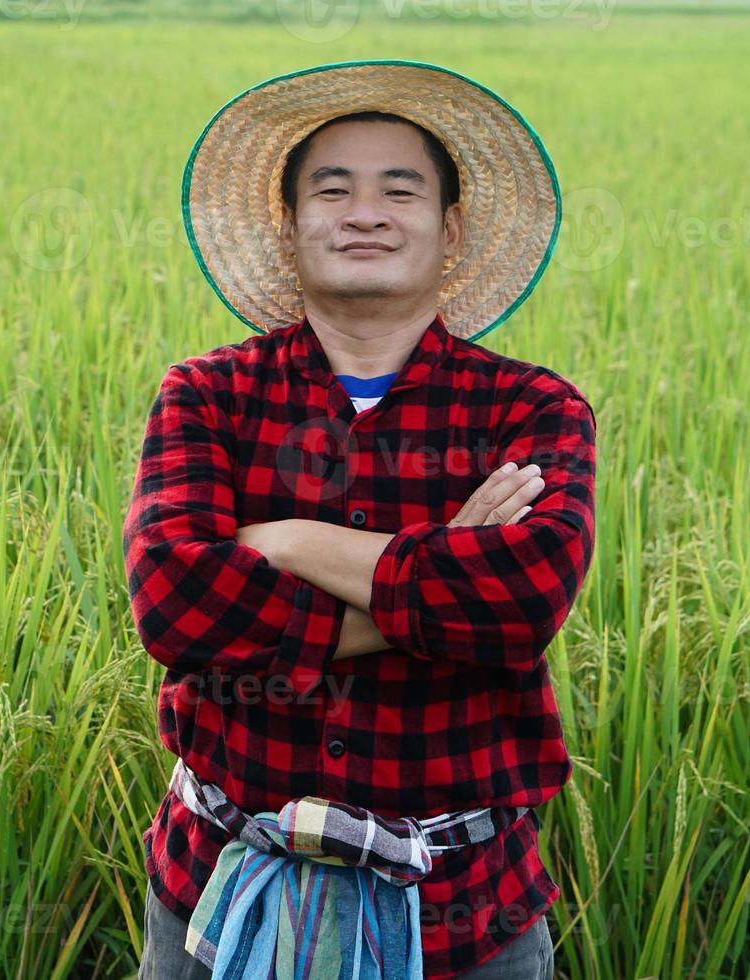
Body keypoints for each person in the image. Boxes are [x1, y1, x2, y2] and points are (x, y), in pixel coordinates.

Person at [123, 60, 595, 978]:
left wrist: (291, 543)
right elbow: (174, 605)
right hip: (219, 887)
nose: (365, 212)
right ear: (291, 226)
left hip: (462, 911)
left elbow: (520, 604)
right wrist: (440, 569)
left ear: (450, 229)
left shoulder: (530, 412)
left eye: (399, 190)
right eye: (332, 189)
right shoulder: (209, 396)